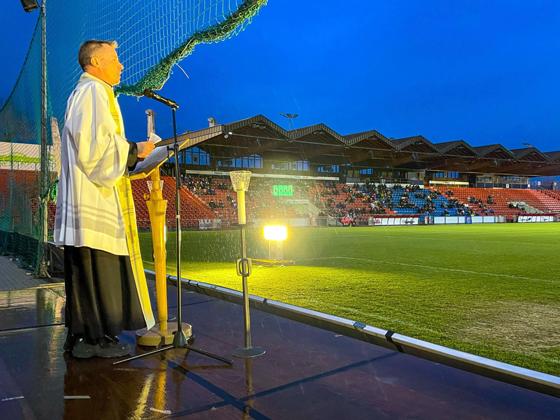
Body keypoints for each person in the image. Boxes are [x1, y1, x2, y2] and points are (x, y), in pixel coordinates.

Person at [54, 40, 155, 359]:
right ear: (95, 62)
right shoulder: (94, 92)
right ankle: (93, 340)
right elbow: (93, 148)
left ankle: (90, 336)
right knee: (95, 271)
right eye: (115, 58)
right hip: (92, 203)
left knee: (89, 274)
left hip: (88, 202)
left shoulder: (86, 92)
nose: (121, 65)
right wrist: (135, 150)